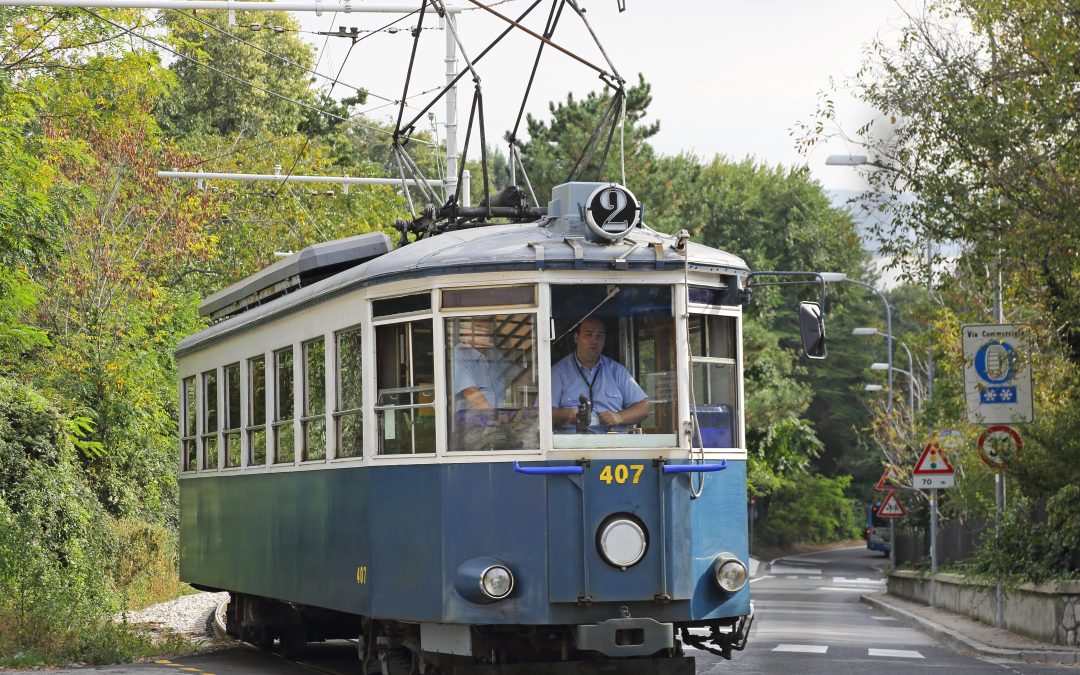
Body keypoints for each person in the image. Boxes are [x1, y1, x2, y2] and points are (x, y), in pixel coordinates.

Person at [551, 317, 649, 434]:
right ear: (576, 338)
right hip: (572, 446)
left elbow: (644, 408)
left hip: (613, 445)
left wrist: (619, 417)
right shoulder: (558, 372)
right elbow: (539, 413)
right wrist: (566, 414)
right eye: (589, 335)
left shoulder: (617, 371)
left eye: (599, 336)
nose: (594, 341)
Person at [451, 316, 535, 449]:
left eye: (487, 329)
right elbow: (473, 395)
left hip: (495, 427)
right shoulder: (459, 354)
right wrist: (502, 420)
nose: (484, 333)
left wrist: (539, 375)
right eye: (479, 328)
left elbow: (519, 376)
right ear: (467, 331)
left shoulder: (492, 353)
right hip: (472, 428)